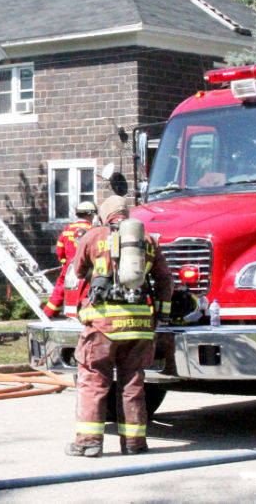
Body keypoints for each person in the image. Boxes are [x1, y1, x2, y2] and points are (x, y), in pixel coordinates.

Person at [66, 195, 173, 457]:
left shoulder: (93, 236)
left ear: (104, 215)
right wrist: (161, 315)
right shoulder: (147, 240)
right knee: (133, 384)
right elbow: (165, 281)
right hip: (140, 327)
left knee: (93, 381)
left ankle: (89, 442)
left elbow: (77, 272)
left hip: (102, 326)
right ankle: (134, 443)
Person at [44, 201, 97, 318]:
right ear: (90, 215)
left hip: (69, 268)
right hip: (87, 269)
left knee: (59, 290)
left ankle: (49, 313)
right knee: (85, 291)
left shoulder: (67, 229)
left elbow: (60, 248)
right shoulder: (93, 230)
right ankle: (82, 315)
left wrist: (64, 262)